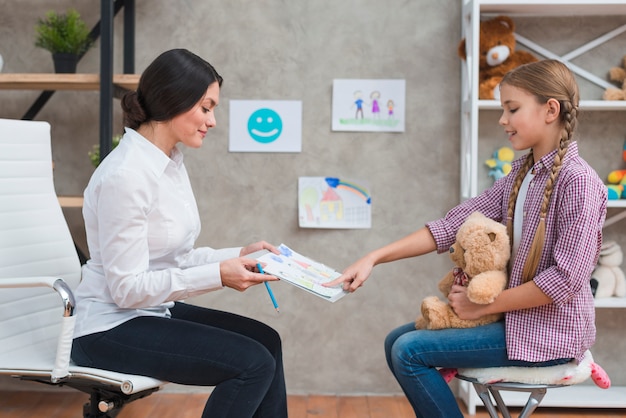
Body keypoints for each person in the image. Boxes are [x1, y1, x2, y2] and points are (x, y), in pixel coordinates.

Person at [326, 59, 607, 418]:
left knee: (408, 351)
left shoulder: (579, 183)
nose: (503, 120)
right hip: (515, 320)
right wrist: (373, 258)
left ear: (550, 109)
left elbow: (564, 281)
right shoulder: (523, 175)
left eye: (512, 109)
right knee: (395, 341)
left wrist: (484, 306)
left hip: (550, 332)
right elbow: (449, 226)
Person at [71, 48, 288, 418]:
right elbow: (127, 289)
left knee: (266, 342)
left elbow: (177, 258)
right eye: (206, 107)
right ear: (174, 98)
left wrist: (239, 255)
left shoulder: (169, 163)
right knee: (252, 363)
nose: (213, 121)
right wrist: (219, 276)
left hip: (150, 311)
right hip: (107, 328)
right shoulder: (126, 175)